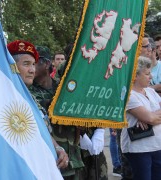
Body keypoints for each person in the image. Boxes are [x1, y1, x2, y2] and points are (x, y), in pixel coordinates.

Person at [34, 45, 108, 180]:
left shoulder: (63, 87)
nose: (31, 68)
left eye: (34, 62)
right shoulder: (29, 92)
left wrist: (98, 129)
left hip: (75, 155)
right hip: (53, 155)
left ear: (46, 64)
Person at [7, 40, 69, 170]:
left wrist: (58, 148)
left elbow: (41, 131)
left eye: (33, 64)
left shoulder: (29, 98)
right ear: (12, 66)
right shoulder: (4, 98)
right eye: (26, 64)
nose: (32, 70)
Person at [121, 56, 161, 180]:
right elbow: (150, 118)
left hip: (157, 146)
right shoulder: (129, 95)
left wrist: (149, 117)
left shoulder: (151, 92)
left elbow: (150, 118)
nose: (151, 77)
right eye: (147, 74)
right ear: (135, 76)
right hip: (139, 149)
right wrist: (149, 117)